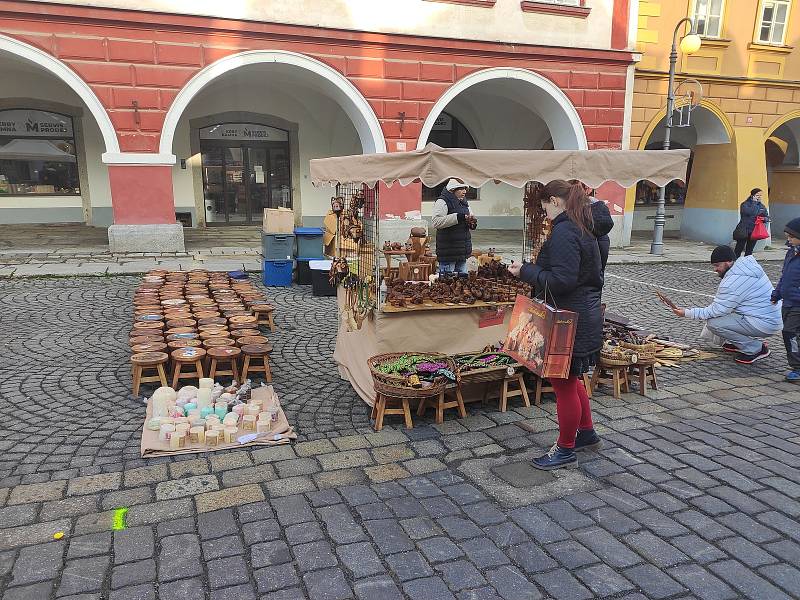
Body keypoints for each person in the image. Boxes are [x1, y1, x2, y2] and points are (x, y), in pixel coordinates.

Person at [508, 180, 604, 470]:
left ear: (555, 201)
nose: (544, 213)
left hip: (568, 317)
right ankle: (586, 433)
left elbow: (562, 280)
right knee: (572, 380)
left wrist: (525, 270)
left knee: (562, 384)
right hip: (581, 313)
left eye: (544, 207)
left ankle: (565, 449)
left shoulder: (565, 230)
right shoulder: (583, 225)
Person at [670, 245, 781, 364]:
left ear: (728, 262)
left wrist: (687, 313)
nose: (715, 269)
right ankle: (736, 342)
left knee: (714, 323)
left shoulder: (734, 281)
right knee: (724, 313)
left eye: (717, 265)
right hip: (770, 317)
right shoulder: (746, 268)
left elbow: (716, 310)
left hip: (764, 323)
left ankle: (756, 349)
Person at [771, 217, 800, 382]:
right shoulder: (791, 252)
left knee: (789, 332)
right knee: (795, 333)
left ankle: (797, 366)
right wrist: (777, 293)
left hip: (798, 303)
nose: (788, 239)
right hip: (787, 301)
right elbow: (785, 276)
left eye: (791, 236)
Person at [432, 179, 476, 274]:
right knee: (447, 283)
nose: (464, 191)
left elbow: (468, 218)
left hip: (462, 252)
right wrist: (458, 217)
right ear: (452, 190)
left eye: (465, 188)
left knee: (462, 283)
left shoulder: (464, 202)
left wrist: (471, 222)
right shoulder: (442, 201)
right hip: (448, 252)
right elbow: (436, 222)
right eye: (461, 189)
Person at [733, 188, 769, 258]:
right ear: (752, 196)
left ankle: (747, 264)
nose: (759, 197)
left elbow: (767, 216)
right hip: (744, 230)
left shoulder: (761, 206)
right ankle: (734, 263)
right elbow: (749, 212)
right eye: (757, 195)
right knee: (739, 249)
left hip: (754, 230)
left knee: (749, 251)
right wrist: (754, 203)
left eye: (760, 195)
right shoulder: (745, 204)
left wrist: (764, 219)